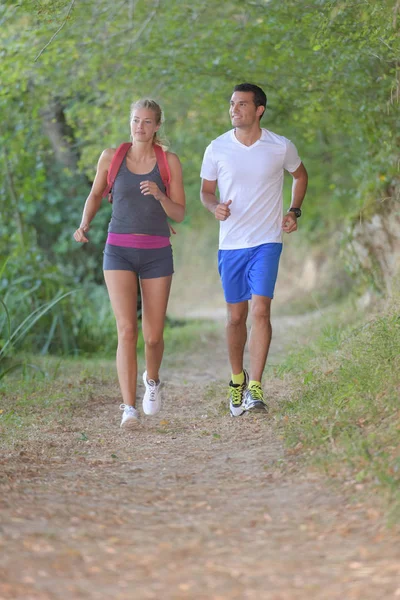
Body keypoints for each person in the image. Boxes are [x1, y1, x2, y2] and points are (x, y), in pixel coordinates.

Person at [74, 99, 185, 428]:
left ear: (156, 126)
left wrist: (160, 195)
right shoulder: (112, 158)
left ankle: (152, 381)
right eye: (136, 120)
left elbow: (179, 212)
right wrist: (84, 224)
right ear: (130, 122)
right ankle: (128, 408)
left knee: (153, 336)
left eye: (148, 122)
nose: (140, 126)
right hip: (118, 251)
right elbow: (96, 194)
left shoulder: (169, 162)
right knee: (126, 330)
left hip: (156, 254)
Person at [200, 83, 308, 417]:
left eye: (242, 104)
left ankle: (256, 388)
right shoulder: (217, 148)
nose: (234, 109)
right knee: (236, 317)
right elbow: (206, 191)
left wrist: (293, 210)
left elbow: (300, 176)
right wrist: (215, 207)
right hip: (231, 244)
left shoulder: (280, 146)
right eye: (232, 104)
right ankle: (237, 380)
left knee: (261, 311)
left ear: (259, 109)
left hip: (266, 240)